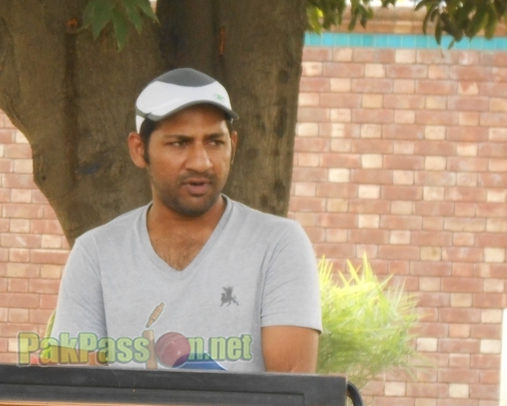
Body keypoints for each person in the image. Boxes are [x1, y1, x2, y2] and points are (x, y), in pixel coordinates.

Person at [49, 68, 321, 373]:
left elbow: (293, 398)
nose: (201, 162)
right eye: (179, 143)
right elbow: (73, 394)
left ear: (233, 145)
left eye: (214, 142)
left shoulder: (279, 245)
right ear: (139, 150)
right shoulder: (96, 253)